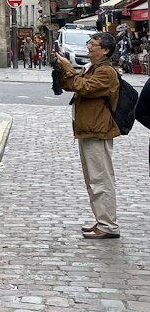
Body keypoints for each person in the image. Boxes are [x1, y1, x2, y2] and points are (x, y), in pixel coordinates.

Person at [53, 31, 121, 239]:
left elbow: (82, 87)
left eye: (93, 44)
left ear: (105, 50)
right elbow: (70, 85)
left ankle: (108, 226)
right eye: (89, 43)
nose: (89, 47)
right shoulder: (92, 68)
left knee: (101, 179)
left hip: (98, 131)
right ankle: (102, 221)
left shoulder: (106, 72)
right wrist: (63, 69)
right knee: (93, 179)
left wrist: (67, 67)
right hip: (89, 129)